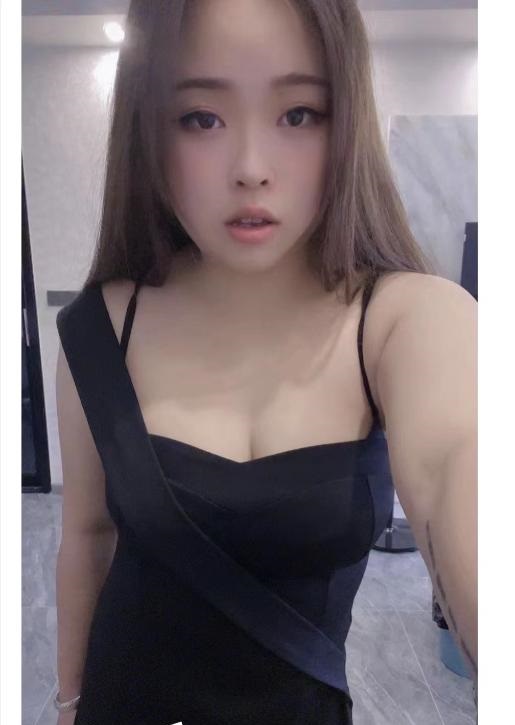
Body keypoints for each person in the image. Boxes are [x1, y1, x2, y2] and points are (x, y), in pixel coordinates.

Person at [54, 1, 478, 723]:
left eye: (298, 114)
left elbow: (456, 464)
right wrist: (69, 704)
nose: (251, 169)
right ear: (148, 131)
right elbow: (88, 536)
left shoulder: (403, 318)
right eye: (200, 119)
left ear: (345, 123)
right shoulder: (102, 328)